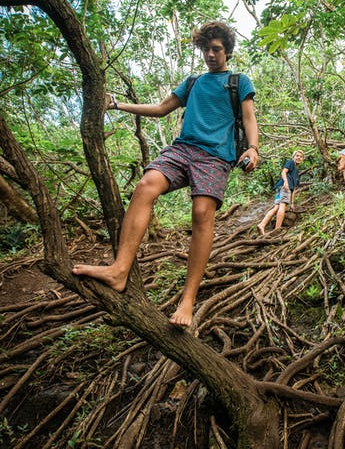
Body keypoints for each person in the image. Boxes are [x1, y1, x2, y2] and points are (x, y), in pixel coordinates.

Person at [72, 21, 259, 327]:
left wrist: (253, 149)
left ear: (227, 51)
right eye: (206, 49)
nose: (211, 55)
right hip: (183, 149)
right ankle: (119, 270)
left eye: (216, 50)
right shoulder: (193, 82)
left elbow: (249, 118)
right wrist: (117, 105)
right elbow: (161, 109)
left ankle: (188, 300)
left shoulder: (238, 81)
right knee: (145, 185)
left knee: (202, 213)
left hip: (215, 157)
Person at [257, 150, 304, 235]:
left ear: (303, 159)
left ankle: (262, 224)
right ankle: (277, 229)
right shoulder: (291, 163)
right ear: (293, 157)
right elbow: (283, 172)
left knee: (276, 208)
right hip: (285, 188)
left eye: (301, 156)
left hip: (282, 188)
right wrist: (286, 182)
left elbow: (294, 189)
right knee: (282, 206)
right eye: (297, 155)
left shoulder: (296, 173)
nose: (299, 157)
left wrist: (292, 203)